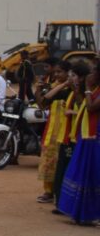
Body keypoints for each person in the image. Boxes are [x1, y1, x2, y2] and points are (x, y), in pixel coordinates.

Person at [51, 63, 93, 205]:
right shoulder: (70, 92)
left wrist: (73, 111)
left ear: (81, 78)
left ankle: (69, 203)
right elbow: (47, 97)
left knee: (71, 172)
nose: (69, 78)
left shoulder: (87, 93)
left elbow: (88, 110)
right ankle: (60, 202)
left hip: (79, 137)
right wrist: (63, 85)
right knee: (61, 172)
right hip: (67, 137)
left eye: (73, 75)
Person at [36, 59, 71, 204]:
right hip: (51, 128)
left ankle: (60, 192)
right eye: (55, 72)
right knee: (48, 160)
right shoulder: (52, 86)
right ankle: (48, 191)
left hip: (66, 129)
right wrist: (38, 90)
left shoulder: (69, 89)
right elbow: (42, 105)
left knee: (61, 162)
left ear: (68, 73)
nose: (56, 74)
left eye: (60, 72)